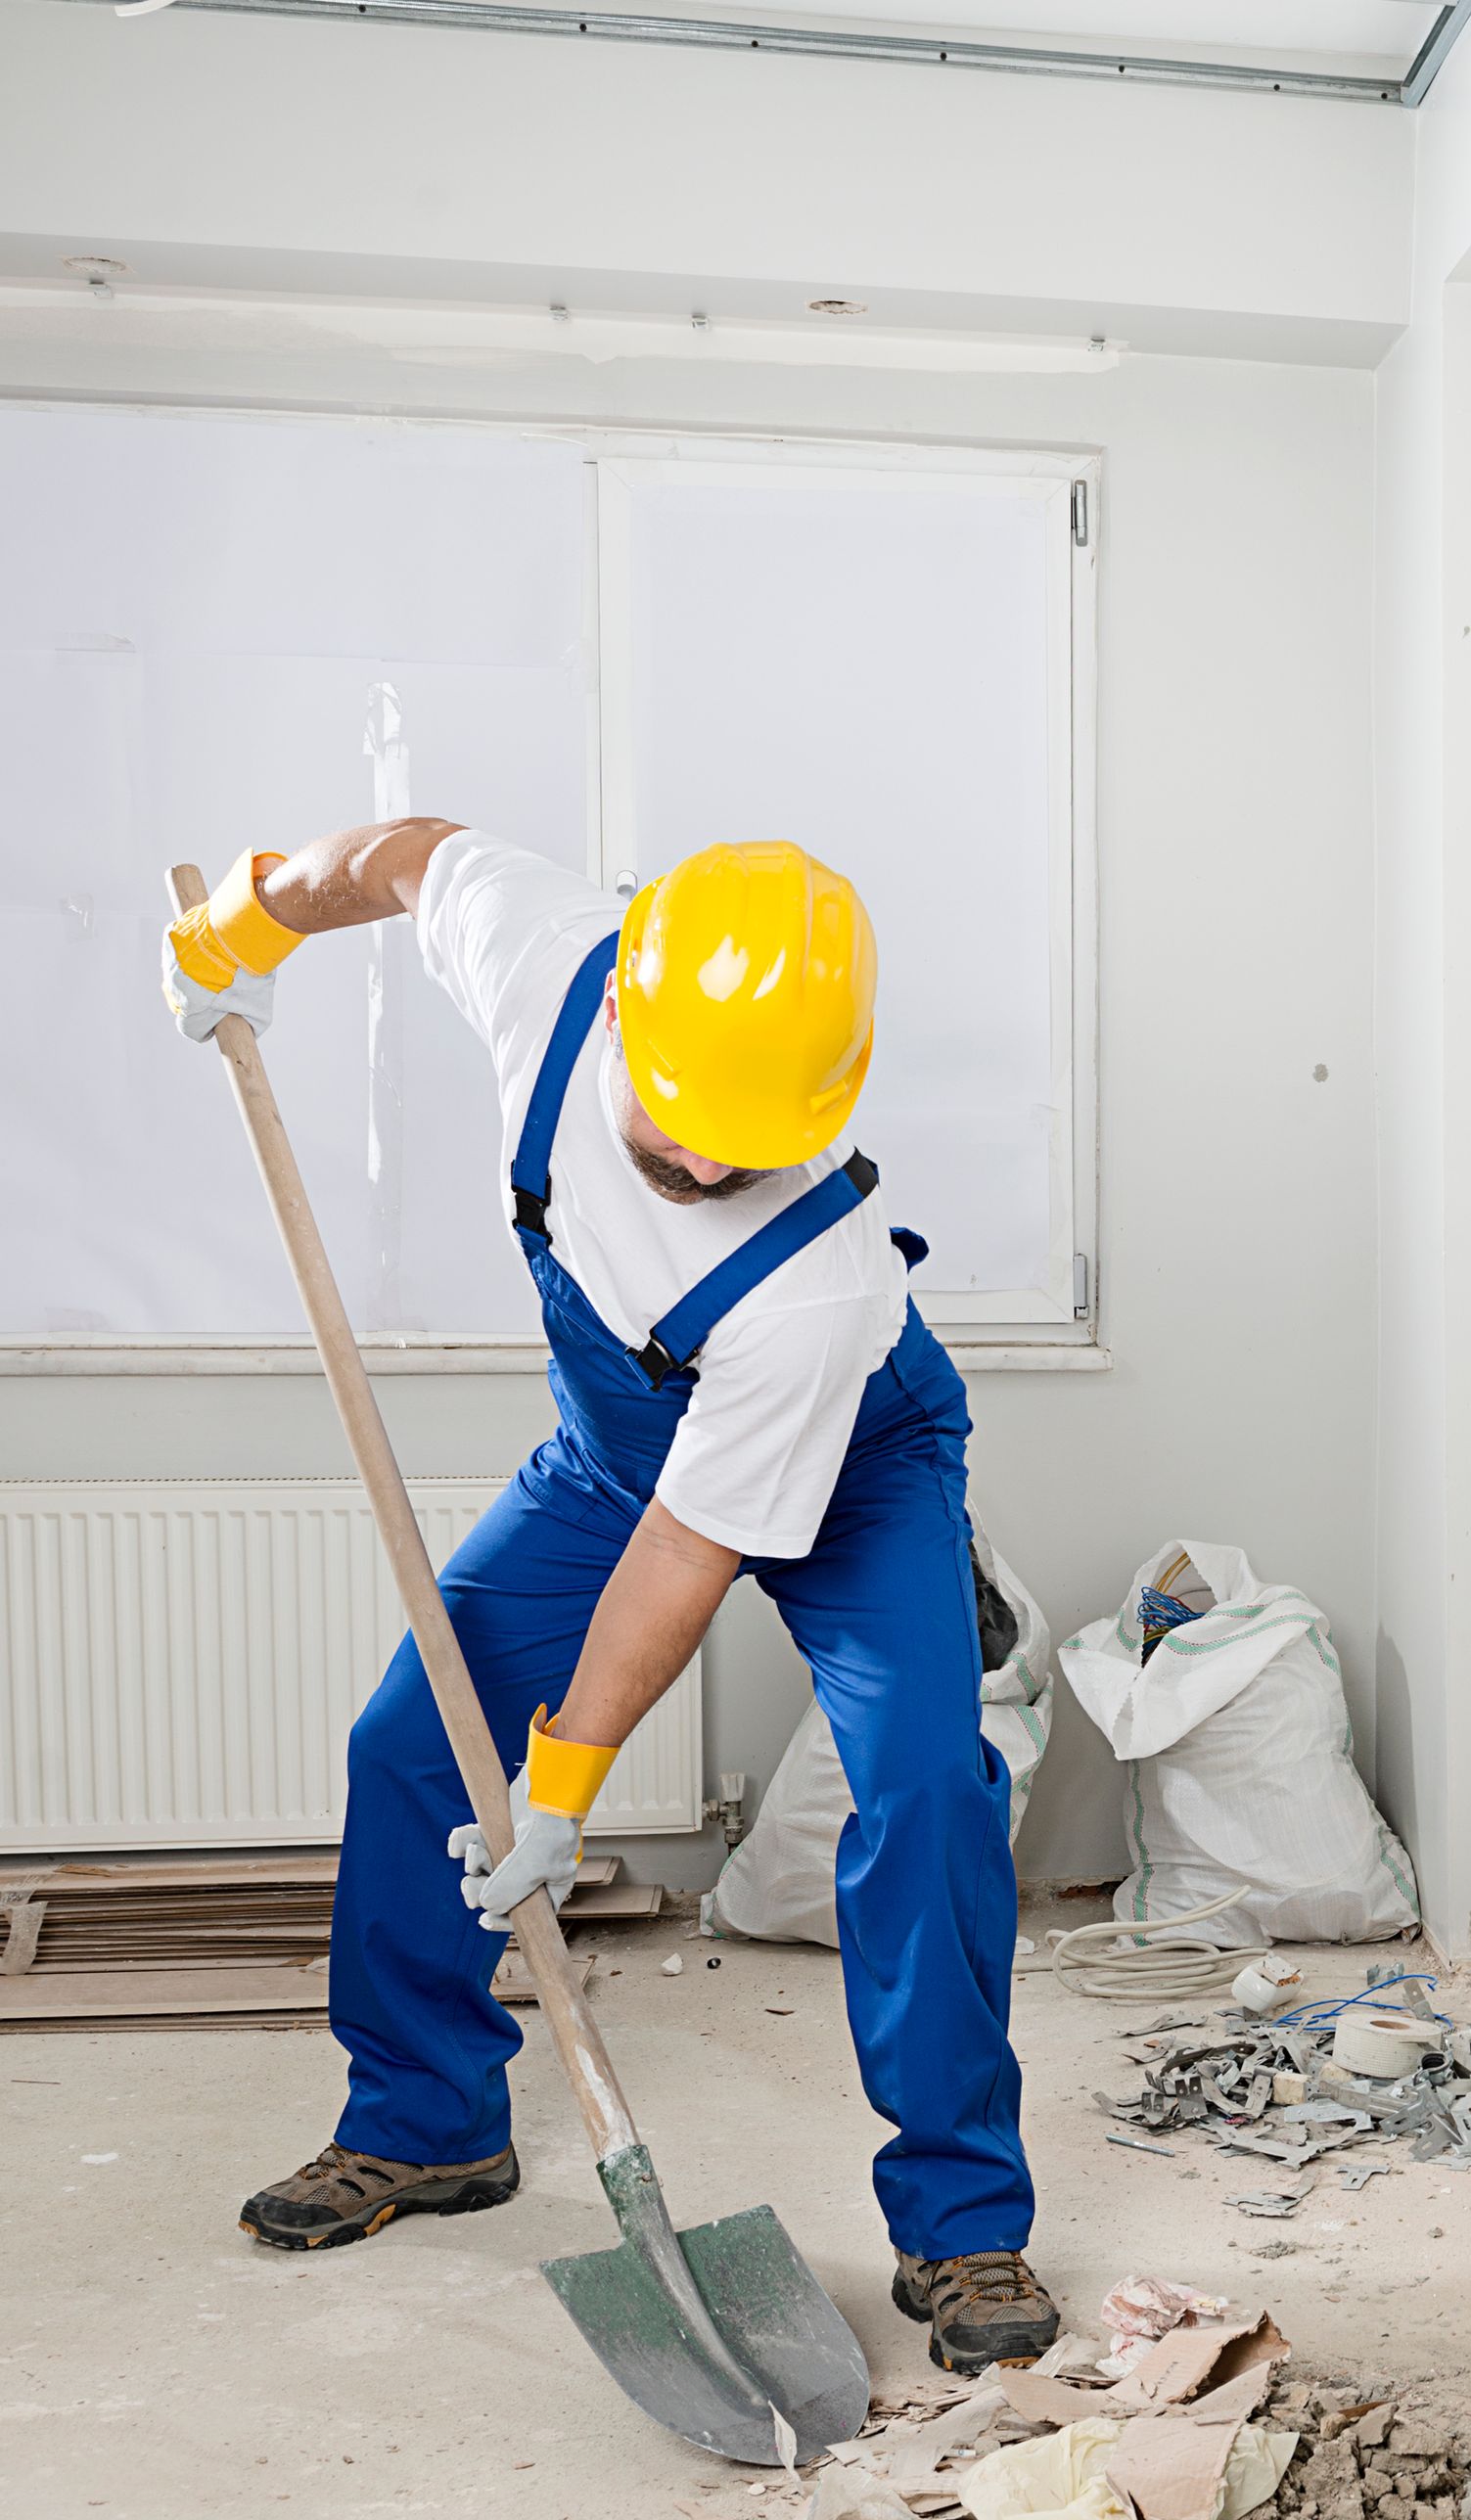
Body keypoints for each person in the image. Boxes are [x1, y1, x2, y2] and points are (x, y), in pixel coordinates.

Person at [161, 828, 1059, 2376]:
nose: (703, 1167)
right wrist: (255, 915)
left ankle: (962, 2222)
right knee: (409, 1739)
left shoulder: (815, 1278)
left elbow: (680, 1567)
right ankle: (428, 2123)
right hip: (617, 1448)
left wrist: (565, 1787)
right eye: (684, 1122)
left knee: (922, 1789)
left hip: (856, 1463)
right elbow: (401, 853)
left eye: (743, 1146)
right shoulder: (552, 963)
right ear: (632, 1016)